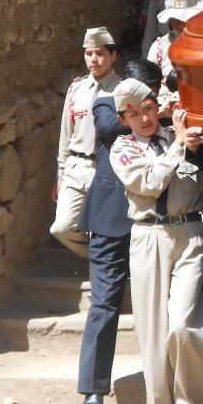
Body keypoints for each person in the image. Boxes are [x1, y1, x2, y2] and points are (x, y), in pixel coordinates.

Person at [110, 79, 203, 404]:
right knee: (153, 335)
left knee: (186, 327)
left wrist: (191, 146)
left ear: (158, 106)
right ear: (123, 120)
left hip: (190, 232)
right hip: (149, 236)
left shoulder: (178, 136)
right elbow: (151, 183)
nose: (144, 119)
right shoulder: (123, 149)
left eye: (149, 109)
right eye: (134, 114)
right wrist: (178, 147)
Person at [76, 58, 162, 404]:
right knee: (104, 304)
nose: (146, 112)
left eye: (152, 101)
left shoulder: (163, 114)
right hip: (112, 223)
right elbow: (111, 124)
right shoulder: (105, 104)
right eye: (141, 102)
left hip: (156, 225)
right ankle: (93, 391)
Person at [51, 27, 121, 258]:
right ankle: (97, 258)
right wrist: (60, 175)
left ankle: (101, 269)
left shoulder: (122, 90)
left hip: (106, 168)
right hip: (75, 167)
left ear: (113, 55)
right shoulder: (76, 88)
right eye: (89, 53)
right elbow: (65, 135)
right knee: (62, 227)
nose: (93, 59)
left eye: (100, 53)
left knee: (101, 230)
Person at [147, 0, 203, 84]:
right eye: (175, 20)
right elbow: (149, 79)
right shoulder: (159, 47)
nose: (180, 24)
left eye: (184, 19)